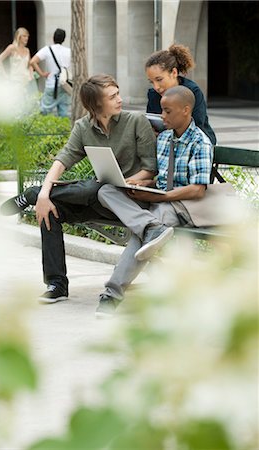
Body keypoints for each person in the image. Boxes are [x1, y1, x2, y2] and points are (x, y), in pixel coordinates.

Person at [0, 74, 158, 304]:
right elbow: (63, 160)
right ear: (96, 104)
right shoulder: (83, 127)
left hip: (130, 202)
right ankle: (56, 284)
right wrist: (45, 195)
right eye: (112, 96)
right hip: (98, 200)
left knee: (99, 188)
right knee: (51, 208)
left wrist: (126, 183)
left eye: (118, 93)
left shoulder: (135, 122)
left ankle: (31, 194)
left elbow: (150, 169)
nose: (120, 99)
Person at [96, 85, 213, 317]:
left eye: (168, 111)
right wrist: (142, 185)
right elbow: (159, 178)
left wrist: (162, 196)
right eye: (162, 110)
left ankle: (112, 294)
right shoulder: (165, 138)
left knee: (147, 228)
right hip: (157, 198)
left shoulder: (200, 142)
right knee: (106, 190)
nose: (162, 116)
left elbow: (198, 190)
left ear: (186, 110)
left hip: (181, 204)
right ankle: (151, 229)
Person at [146, 44, 216, 145]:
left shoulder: (192, 91)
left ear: (174, 73)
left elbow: (197, 125)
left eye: (159, 79)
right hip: (165, 145)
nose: (156, 87)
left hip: (197, 144)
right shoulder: (153, 95)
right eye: (151, 82)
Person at [30, 28, 71, 117]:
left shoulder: (47, 50)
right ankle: (63, 130)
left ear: (53, 38)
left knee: (43, 112)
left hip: (51, 84)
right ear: (64, 39)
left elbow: (32, 61)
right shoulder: (68, 51)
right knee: (63, 114)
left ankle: (43, 130)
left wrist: (42, 74)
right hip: (65, 85)